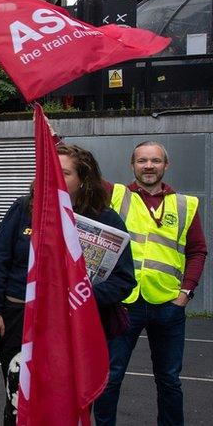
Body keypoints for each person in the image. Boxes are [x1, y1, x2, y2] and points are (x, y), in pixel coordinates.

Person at [0, 143, 135, 426]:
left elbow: (124, 280)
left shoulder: (105, 218)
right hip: (21, 320)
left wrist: (81, 296)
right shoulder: (23, 208)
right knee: (20, 402)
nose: (54, 178)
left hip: (75, 326)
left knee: (67, 406)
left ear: (84, 179)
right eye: (48, 171)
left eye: (64, 173)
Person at [94, 141, 207, 426]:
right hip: (124, 303)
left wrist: (186, 292)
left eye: (155, 161)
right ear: (132, 165)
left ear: (166, 165)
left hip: (168, 305)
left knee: (169, 380)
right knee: (110, 377)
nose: (148, 166)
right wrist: (56, 142)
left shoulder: (185, 204)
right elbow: (80, 175)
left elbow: (197, 251)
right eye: (142, 160)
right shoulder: (116, 195)